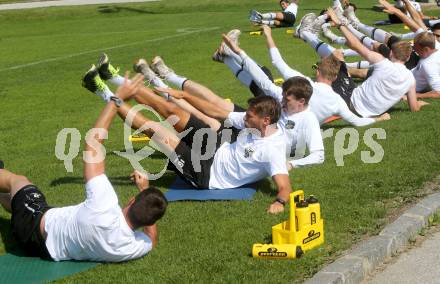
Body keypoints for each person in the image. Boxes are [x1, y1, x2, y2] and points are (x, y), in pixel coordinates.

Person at [82, 65, 293, 214]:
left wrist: (280, 203)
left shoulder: (273, 149)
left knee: (155, 130)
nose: (245, 116)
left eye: (250, 115)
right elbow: (214, 110)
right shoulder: (254, 122)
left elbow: (285, 187)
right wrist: (183, 96)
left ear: (265, 121)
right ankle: (120, 81)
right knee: (171, 110)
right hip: (217, 146)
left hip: (206, 173)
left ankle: (103, 92)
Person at [0, 75, 168, 261]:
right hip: (40, 251)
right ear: (150, 222)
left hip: (33, 224)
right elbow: (151, 240)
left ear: (131, 200)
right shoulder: (129, 247)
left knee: (19, 181)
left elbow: (93, 147)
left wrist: (117, 100)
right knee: (20, 198)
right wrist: (144, 194)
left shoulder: (104, 204)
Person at [261, 25, 390, 126]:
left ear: (317, 72)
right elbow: (357, 121)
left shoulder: (305, 83)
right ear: (335, 77)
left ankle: (240, 53)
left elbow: (277, 62)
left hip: (279, 121)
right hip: (291, 127)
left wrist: (268, 35)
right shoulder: (337, 101)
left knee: (266, 81)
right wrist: (378, 119)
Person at [412, 32, 440, 98]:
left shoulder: (428, 65)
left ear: (426, 49)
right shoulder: (437, 47)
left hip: (405, 86)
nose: (415, 50)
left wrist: (417, 95)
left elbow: (438, 92)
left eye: (417, 49)